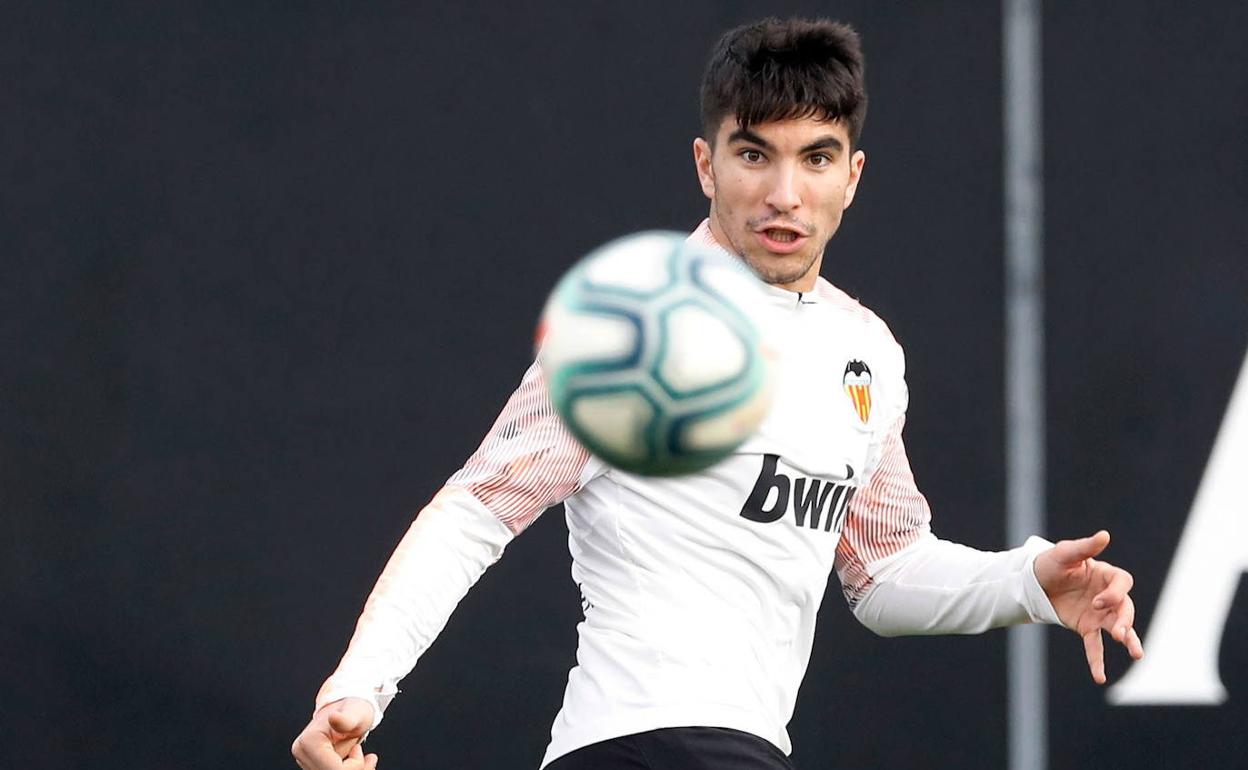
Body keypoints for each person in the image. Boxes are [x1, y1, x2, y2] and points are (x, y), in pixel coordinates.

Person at [291, 17, 1144, 770]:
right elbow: (479, 509)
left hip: (740, 748)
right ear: (706, 164)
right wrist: (361, 683)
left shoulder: (867, 353)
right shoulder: (635, 325)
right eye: (753, 155)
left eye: (815, 159)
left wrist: (1027, 582)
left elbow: (881, 570)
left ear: (852, 174)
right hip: (629, 741)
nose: (784, 194)